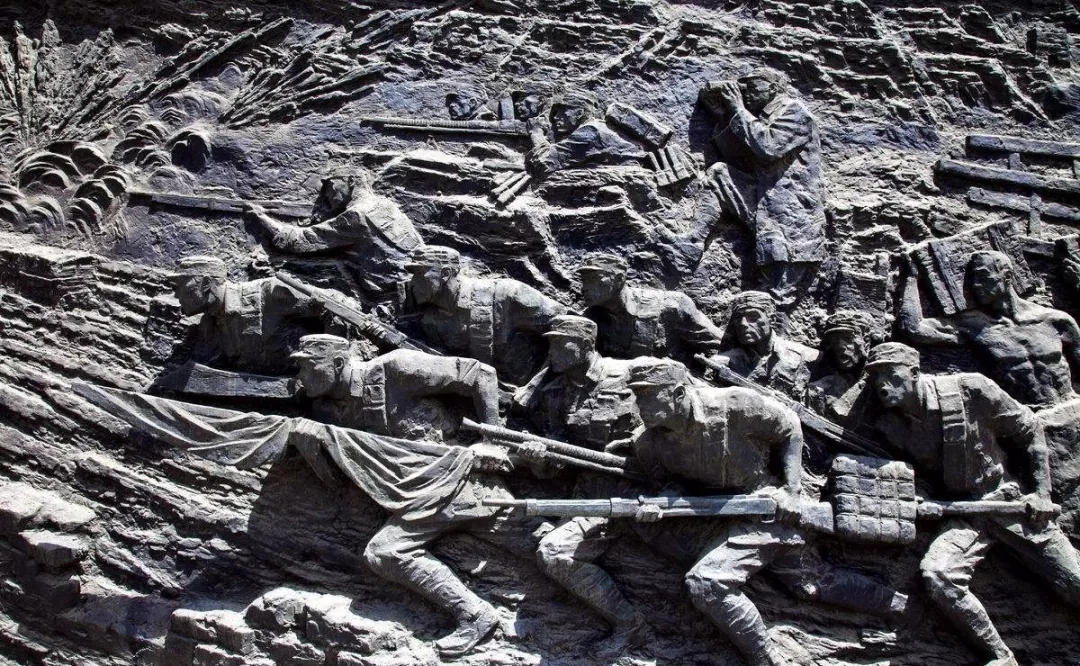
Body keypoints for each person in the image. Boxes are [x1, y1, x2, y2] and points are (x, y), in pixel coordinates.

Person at [627, 359, 907, 666]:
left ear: (678, 393)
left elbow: (790, 428)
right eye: (638, 396)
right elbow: (672, 484)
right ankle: (903, 607)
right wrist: (664, 501)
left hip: (766, 511)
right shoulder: (647, 443)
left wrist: (791, 490)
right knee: (811, 583)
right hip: (719, 520)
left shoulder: (734, 404)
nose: (640, 405)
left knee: (707, 583)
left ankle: (767, 660)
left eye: (648, 396)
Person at [289, 334, 533, 657]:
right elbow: (341, 476)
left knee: (541, 546)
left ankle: (477, 615)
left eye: (308, 367)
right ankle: (476, 614)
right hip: (417, 499)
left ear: (336, 363)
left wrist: (492, 442)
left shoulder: (395, 369)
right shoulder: (328, 408)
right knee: (385, 552)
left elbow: (480, 374)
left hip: (462, 483)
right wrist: (311, 441)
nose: (301, 378)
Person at [861, 342, 1080, 666]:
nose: (882, 384)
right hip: (965, 514)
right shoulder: (890, 426)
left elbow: (1029, 428)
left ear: (914, 373)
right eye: (876, 377)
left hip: (1009, 503)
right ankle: (1001, 657)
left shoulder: (970, 390)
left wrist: (1042, 494)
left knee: (1073, 582)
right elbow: (918, 473)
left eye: (890, 375)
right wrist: (923, 498)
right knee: (938, 575)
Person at [512, 316, 647, 643]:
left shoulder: (627, 374)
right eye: (550, 344)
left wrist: (638, 441)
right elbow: (557, 465)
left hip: (642, 490)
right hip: (592, 495)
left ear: (586, 345)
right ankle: (629, 623)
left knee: (554, 552)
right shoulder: (554, 394)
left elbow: (674, 413)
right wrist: (540, 458)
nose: (552, 351)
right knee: (548, 549)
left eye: (561, 344)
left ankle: (631, 626)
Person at [698, 68, 826, 302]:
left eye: (753, 87)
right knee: (720, 173)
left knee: (779, 296)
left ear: (773, 88)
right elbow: (738, 158)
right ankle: (692, 241)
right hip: (764, 201)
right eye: (743, 88)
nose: (746, 93)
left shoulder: (795, 112)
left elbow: (768, 147)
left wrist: (738, 110)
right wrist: (724, 116)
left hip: (792, 216)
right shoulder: (760, 118)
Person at [403, 245, 568, 386]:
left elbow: (569, 329)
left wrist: (534, 387)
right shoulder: (430, 321)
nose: (412, 283)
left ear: (445, 274)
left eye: (419, 274)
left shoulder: (507, 294)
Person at [246, 169, 423, 300]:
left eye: (330, 186)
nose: (327, 195)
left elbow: (299, 241)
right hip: (412, 290)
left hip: (390, 301)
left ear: (351, 181)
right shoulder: (386, 205)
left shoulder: (357, 216)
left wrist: (260, 217)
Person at [170, 255, 323, 375]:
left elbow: (329, 306)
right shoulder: (210, 326)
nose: (176, 295)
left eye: (181, 286)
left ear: (206, 284)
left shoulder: (271, 292)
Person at [578, 252, 725, 363]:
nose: (584, 288)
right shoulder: (590, 318)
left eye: (593, 279)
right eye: (583, 281)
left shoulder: (671, 306)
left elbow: (723, 346)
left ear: (619, 279)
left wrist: (721, 360)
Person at [708, 291, 818, 401]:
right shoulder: (726, 361)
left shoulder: (804, 357)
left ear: (772, 320)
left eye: (753, 316)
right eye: (738, 317)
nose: (743, 324)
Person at [525, 91, 645, 178]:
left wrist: (536, 132)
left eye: (562, 111)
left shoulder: (590, 132)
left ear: (579, 113)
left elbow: (545, 163)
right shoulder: (596, 127)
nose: (556, 117)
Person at [805, 310, 873, 416]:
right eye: (835, 341)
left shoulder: (875, 389)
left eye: (848, 339)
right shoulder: (819, 389)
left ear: (866, 342)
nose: (840, 347)